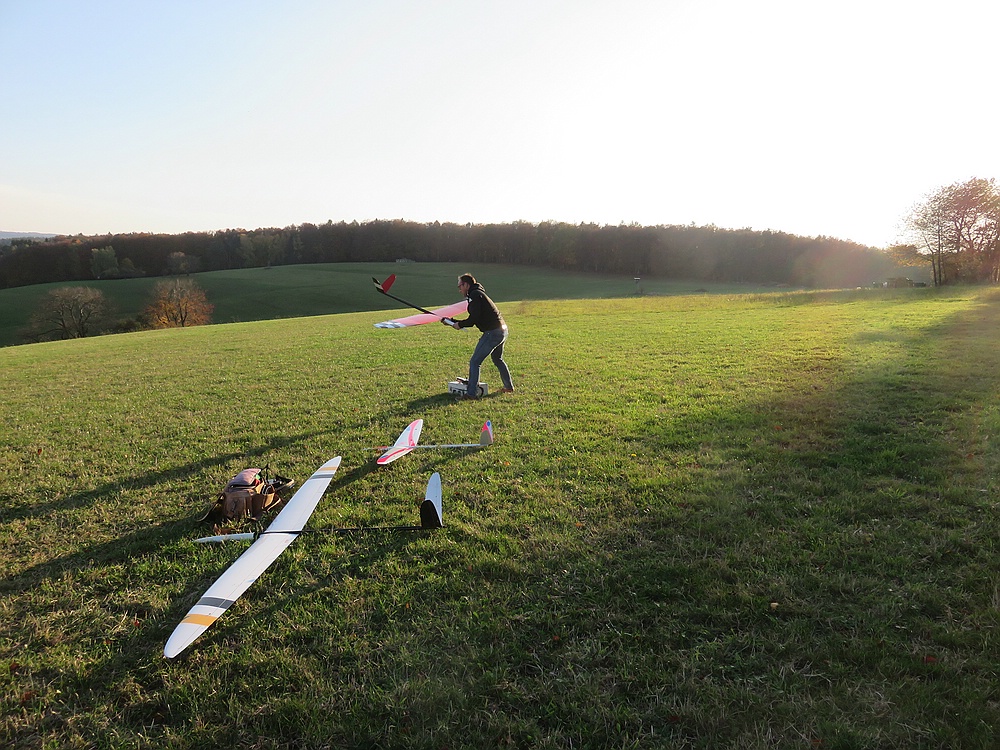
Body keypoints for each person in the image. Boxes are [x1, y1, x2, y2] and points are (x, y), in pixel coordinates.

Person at [444, 273, 514, 398]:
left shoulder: (475, 295)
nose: (459, 290)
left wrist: (459, 325)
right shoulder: (478, 294)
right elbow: (476, 317)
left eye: (460, 286)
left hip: (493, 332)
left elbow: (473, 319)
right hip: (502, 330)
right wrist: (452, 321)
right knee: (497, 359)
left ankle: (471, 394)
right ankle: (508, 387)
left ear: (466, 285)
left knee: (475, 362)